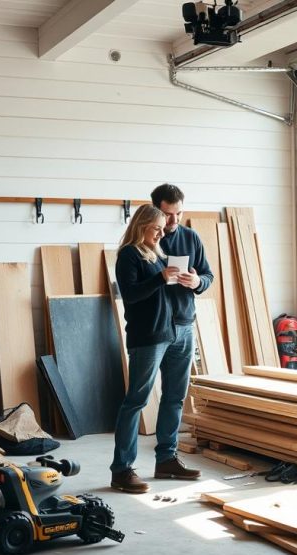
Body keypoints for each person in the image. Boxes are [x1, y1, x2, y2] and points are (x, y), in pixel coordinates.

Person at [110, 185, 214, 493]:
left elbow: (207, 276)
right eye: (164, 218)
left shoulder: (179, 242)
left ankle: (167, 459)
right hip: (152, 334)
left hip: (182, 327)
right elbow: (130, 293)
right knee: (136, 400)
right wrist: (161, 278)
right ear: (150, 217)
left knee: (175, 397)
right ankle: (122, 468)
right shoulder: (133, 253)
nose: (170, 223)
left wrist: (196, 282)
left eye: (177, 214)